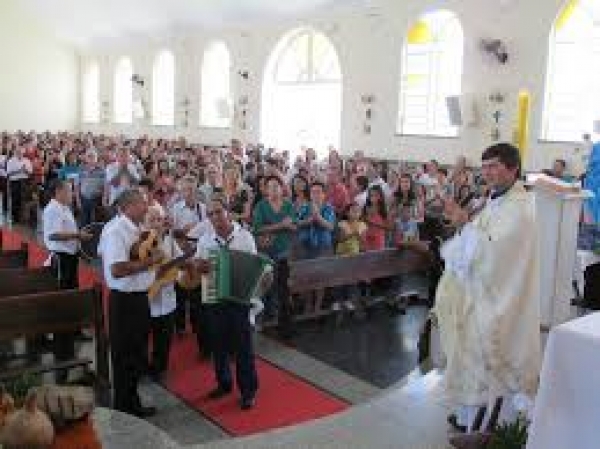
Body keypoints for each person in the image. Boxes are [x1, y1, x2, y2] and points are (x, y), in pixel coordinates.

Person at [432, 143, 541, 446]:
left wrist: (465, 223)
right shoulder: (493, 201)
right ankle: (470, 422)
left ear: (513, 168)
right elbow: (473, 244)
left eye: (494, 165)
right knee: (474, 362)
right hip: (479, 296)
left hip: (502, 300)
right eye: (484, 167)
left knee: (494, 363)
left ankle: (494, 430)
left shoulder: (522, 207)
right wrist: (463, 223)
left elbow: (496, 252)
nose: (487, 173)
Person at [100, 188, 166, 418]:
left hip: (138, 299)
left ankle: (132, 401)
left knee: (137, 355)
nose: (146, 207)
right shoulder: (116, 231)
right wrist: (150, 261)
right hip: (124, 302)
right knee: (124, 357)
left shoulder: (137, 229)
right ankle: (124, 407)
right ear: (128, 206)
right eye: (141, 203)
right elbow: (117, 270)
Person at [194, 193, 262, 410]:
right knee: (218, 344)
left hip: (239, 297)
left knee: (243, 347)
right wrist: (200, 266)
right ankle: (224, 383)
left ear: (228, 212)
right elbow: (198, 264)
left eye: (218, 212)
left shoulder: (245, 237)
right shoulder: (205, 239)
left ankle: (248, 390)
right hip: (214, 295)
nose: (215, 217)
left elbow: (254, 267)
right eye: (210, 214)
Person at [42, 179, 93, 376]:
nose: (72, 194)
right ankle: (62, 338)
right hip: (61, 259)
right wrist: (77, 236)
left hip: (70, 257)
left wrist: (78, 247)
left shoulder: (64, 208)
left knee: (73, 292)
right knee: (64, 296)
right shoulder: (52, 209)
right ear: (58, 192)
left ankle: (73, 330)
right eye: (69, 191)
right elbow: (54, 236)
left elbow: (68, 233)